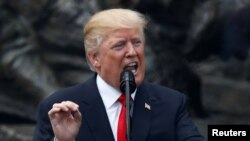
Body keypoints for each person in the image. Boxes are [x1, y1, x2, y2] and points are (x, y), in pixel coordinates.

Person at [33, 8, 205, 141]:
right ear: (95, 59)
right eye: (119, 45)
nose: (132, 52)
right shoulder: (60, 109)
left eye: (137, 42)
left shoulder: (171, 103)